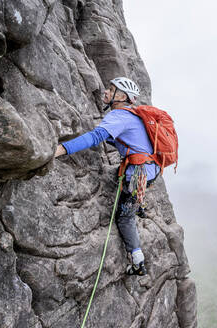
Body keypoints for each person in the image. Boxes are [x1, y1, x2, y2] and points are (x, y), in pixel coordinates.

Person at [55, 77, 159, 276]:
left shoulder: (119, 116)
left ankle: (138, 262)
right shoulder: (132, 116)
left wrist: (62, 149)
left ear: (121, 97)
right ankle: (138, 205)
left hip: (137, 175)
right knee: (130, 202)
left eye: (111, 90)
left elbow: (96, 138)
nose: (105, 92)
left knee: (124, 218)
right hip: (150, 171)